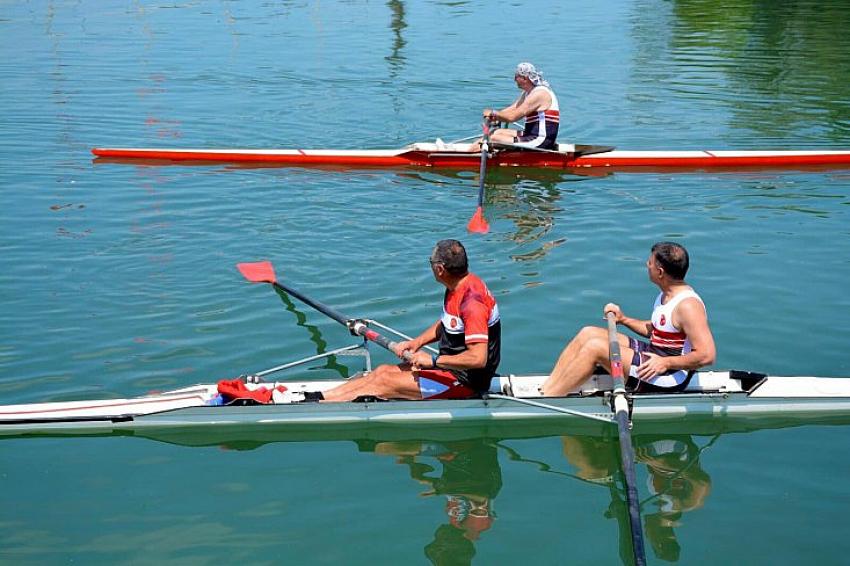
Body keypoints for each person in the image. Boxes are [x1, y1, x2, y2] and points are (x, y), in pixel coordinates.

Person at [318, 239, 501, 402]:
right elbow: (448, 324)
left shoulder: (472, 303)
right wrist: (416, 343)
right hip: (448, 369)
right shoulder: (457, 286)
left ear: (440, 269)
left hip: (466, 382)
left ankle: (318, 409)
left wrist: (433, 361)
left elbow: (478, 359)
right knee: (382, 371)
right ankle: (319, 398)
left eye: (431, 263)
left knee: (383, 382)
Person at [542, 241, 715, 396]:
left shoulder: (688, 306)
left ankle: (549, 402)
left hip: (671, 376)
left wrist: (666, 363)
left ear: (660, 272)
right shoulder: (666, 294)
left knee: (595, 348)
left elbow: (707, 355)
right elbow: (657, 330)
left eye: (650, 263)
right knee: (588, 333)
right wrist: (623, 319)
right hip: (655, 356)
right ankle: (547, 389)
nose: (646, 265)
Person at [475, 62, 560, 151]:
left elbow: (512, 117)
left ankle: (467, 157)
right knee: (495, 132)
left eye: (516, 76)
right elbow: (512, 109)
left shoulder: (539, 94)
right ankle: (469, 151)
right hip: (530, 135)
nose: (514, 79)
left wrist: (493, 113)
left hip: (541, 141)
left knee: (493, 138)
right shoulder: (528, 92)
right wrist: (494, 116)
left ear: (525, 78)